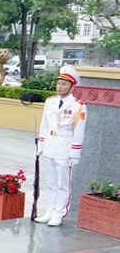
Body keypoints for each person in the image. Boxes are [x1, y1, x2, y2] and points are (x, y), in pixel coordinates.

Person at [34, 65, 87, 227]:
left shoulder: (78, 106)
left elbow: (79, 131)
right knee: (51, 182)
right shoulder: (50, 102)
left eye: (64, 84)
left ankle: (59, 213)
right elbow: (44, 125)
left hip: (65, 148)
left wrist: (75, 154)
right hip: (50, 145)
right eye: (58, 83)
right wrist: (41, 145)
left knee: (62, 184)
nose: (60, 87)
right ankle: (49, 211)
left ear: (72, 87)